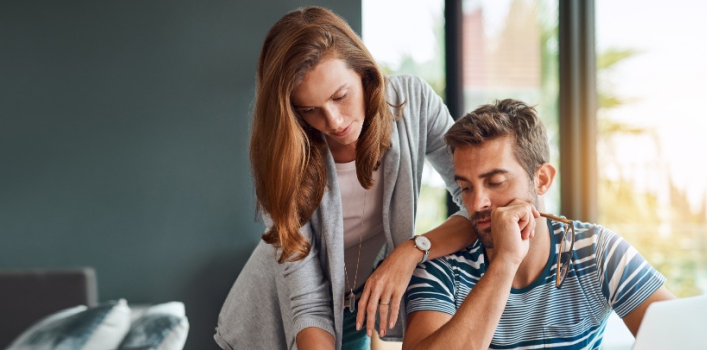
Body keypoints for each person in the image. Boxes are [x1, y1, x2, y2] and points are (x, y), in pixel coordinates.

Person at [214, 6, 476, 350]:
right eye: (309, 109)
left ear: (364, 73)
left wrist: (413, 250)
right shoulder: (284, 158)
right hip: (274, 324)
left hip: (355, 310)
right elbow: (307, 302)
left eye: (340, 96)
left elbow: (479, 202)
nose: (334, 121)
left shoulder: (413, 105)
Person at [402, 100, 676, 349]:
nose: (477, 204)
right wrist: (506, 262)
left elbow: (681, 339)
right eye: (466, 187)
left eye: (495, 182)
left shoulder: (596, 252)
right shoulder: (441, 267)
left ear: (542, 180)